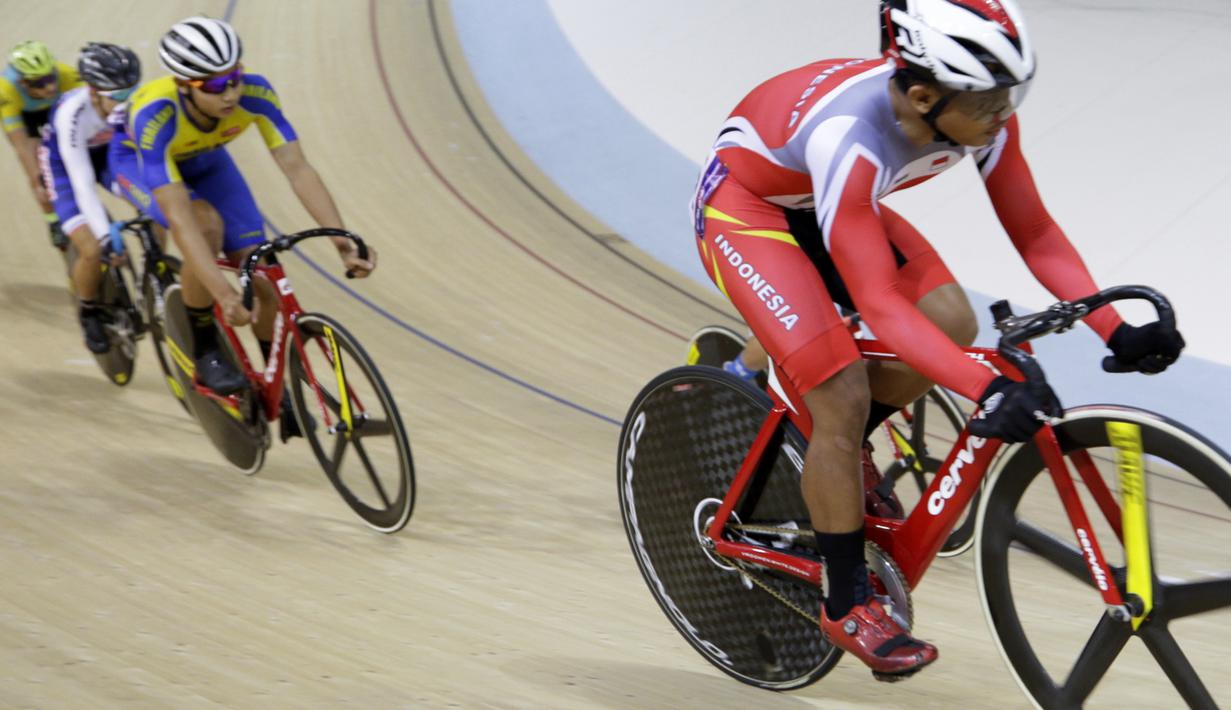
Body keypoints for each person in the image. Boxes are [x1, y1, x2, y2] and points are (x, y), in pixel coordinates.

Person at [689, 0, 1184, 679]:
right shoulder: (850, 138)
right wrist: (983, 387)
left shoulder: (973, 110)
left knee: (954, 323)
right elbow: (883, 310)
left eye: (1013, 96)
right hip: (746, 213)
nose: (1002, 116)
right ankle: (846, 600)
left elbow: (1034, 233)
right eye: (988, 104)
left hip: (823, 201)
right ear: (923, 95)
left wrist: (1113, 327)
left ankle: (794, 401)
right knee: (839, 393)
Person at [110, 16, 376, 440]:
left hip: (208, 161)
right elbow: (179, 219)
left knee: (263, 279)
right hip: (138, 165)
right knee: (204, 225)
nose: (231, 92)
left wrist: (342, 238)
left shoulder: (256, 92)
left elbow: (298, 168)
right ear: (184, 85)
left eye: (234, 77)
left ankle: (277, 384)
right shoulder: (155, 115)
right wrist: (221, 292)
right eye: (215, 85)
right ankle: (206, 347)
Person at [38, 42, 142, 354]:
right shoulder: (72, 113)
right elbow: (82, 183)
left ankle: (153, 271)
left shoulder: (126, 103)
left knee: (154, 202)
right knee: (92, 250)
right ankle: (88, 310)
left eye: (131, 91)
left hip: (107, 155)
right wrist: (103, 236)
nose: (127, 101)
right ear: (94, 91)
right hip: (65, 168)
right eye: (119, 96)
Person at [1, 40, 84, 248]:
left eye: (50, 78)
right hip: (25, 116)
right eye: (39, 83)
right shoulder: (6, 92)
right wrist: (37, 181)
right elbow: (21, 145)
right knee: (38, 172)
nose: (50, 86)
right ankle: (53, 220)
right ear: (22, 83)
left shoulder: (66, 74)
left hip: (58, 108)